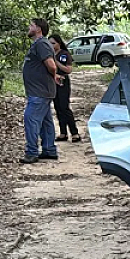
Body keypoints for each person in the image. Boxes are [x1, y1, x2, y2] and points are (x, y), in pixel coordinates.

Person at [20, 18, 62, 164]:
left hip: (40, 92)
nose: (29, 27)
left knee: (30, 118)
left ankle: (31, 152)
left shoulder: (42, 44)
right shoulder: (40, 44)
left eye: (31, 25)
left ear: (38, 29)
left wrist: (53, 75)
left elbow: (51, 65)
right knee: (45, 121)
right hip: (41, 90)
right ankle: (49, 150)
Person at [49, 34, 80, 142]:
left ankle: (74, 133)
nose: (51, 45)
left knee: (64, 107)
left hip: (63, 81)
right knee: (57, 107)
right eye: (50, 43)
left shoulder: (64, 54)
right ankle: (63, 133)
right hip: (53, 82)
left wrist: (56, 63)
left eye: (53, 43)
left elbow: (68, 69)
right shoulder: (48, 54)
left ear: (59, 43)